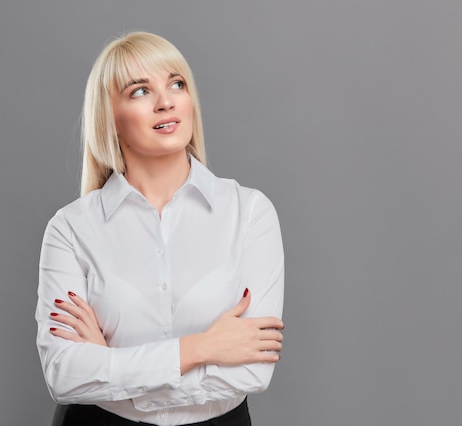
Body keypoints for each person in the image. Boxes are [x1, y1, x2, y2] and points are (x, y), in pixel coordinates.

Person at [36, 31, 285, 426]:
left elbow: (252, 373)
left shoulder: (250, 212)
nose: (166, 101)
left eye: (177, 83)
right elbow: (65, 376)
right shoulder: (71, 228)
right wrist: (201, 348)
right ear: (110, 118)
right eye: (139, 91)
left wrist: (111, 369)